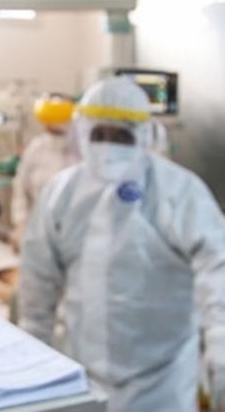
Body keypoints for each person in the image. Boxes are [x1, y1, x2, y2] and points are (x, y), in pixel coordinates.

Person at [19, 77, 225, 411]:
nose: (108, 146)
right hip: (80, 373)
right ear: (82, 132)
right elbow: (37, 280)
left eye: (120, 136)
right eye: (98, 134)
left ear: (144, 135)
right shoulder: (61, 193)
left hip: (163, 380)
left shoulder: (179, 191)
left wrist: (219, 338)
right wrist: (32, 350)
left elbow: (217, 264)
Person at [10, 92, 79, 248]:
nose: (51, 129)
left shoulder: (83, 149)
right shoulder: (36, 148)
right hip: (39, 229)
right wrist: (21, 223)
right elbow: (20, 187)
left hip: (75, 231)